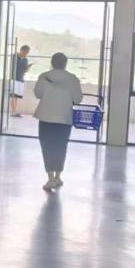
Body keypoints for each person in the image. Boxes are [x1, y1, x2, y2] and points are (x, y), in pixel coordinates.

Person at [33, 52, 83, 191]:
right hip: (64, 118)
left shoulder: (44, 76)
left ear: (52, 62)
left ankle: (50, 178)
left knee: (47, 147)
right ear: (65, 63)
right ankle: (58, 177)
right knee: (61, 146)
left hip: (46, 118)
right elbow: (78, 98)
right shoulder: (72, 78)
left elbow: (38, 94)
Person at [11, 45, 32, 117]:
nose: (26, 54)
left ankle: (14, 111)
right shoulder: (14, 57)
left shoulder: (25, 60)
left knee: (16, 96)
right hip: (13, 78)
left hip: (20, 79)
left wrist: (28, 67)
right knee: (13, 95)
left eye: (27, 52)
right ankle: (13, 111)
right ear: (22, 50)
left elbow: (25, 71)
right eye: (26, 52)